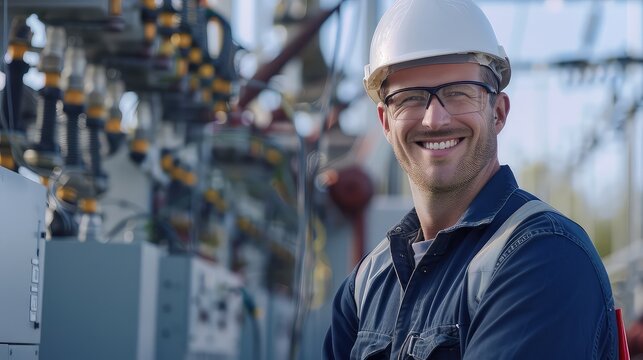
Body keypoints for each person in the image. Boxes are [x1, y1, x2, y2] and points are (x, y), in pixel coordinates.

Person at [323, 0, 619, 359]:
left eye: (457, 92)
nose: (434, 119)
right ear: (386, 123)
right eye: (411, 98)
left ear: (498, 112)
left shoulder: (545, 259)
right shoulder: (365, 287)